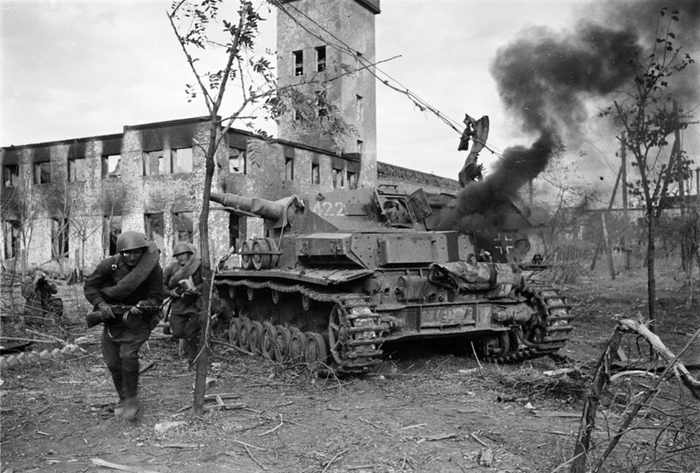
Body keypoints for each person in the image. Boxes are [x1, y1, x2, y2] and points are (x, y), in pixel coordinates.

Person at [83, 231, 163, 421]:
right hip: (112, 320)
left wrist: (143, 305)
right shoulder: (109, 265)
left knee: (128, 355)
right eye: (127, 253)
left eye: (136, 252)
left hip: (138, 321)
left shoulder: (152, 269)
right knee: (112, 362)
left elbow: (157, 298)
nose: (132, 257)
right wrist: (101, 305)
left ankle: (132, 399)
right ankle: (123, 397)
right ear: (120, 252)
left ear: (143, 251)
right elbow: (90, 286)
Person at [163, 242, 203, 369]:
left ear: (189, 254)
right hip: (179, 306)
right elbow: (162, 287)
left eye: (183, 254)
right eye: (178, 255)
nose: (180, 257)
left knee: (191, 333)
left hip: (194, 305)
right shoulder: (171, 269)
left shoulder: (197, 266)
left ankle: (193, 361)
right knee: (178, 332)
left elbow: (206, 283)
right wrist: (171, 292)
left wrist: (196, 289)